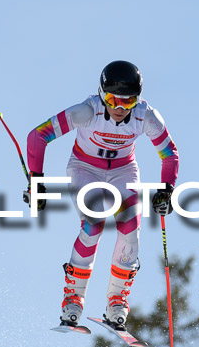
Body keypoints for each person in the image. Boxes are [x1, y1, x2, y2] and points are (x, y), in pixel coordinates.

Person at [24, 60, 179, 330]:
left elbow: (170, 154)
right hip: (86, 169)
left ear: (138, 100)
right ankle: (73, 300)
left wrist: (166, 190)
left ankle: (117, 301)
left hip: (123, 170)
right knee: (93, 224)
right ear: (101, 94)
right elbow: (37, 136)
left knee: (131, 227)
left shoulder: (146, 116)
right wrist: (36, 181)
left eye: (128, 102)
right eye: (112, 100)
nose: (120, 109)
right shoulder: (87, 112)